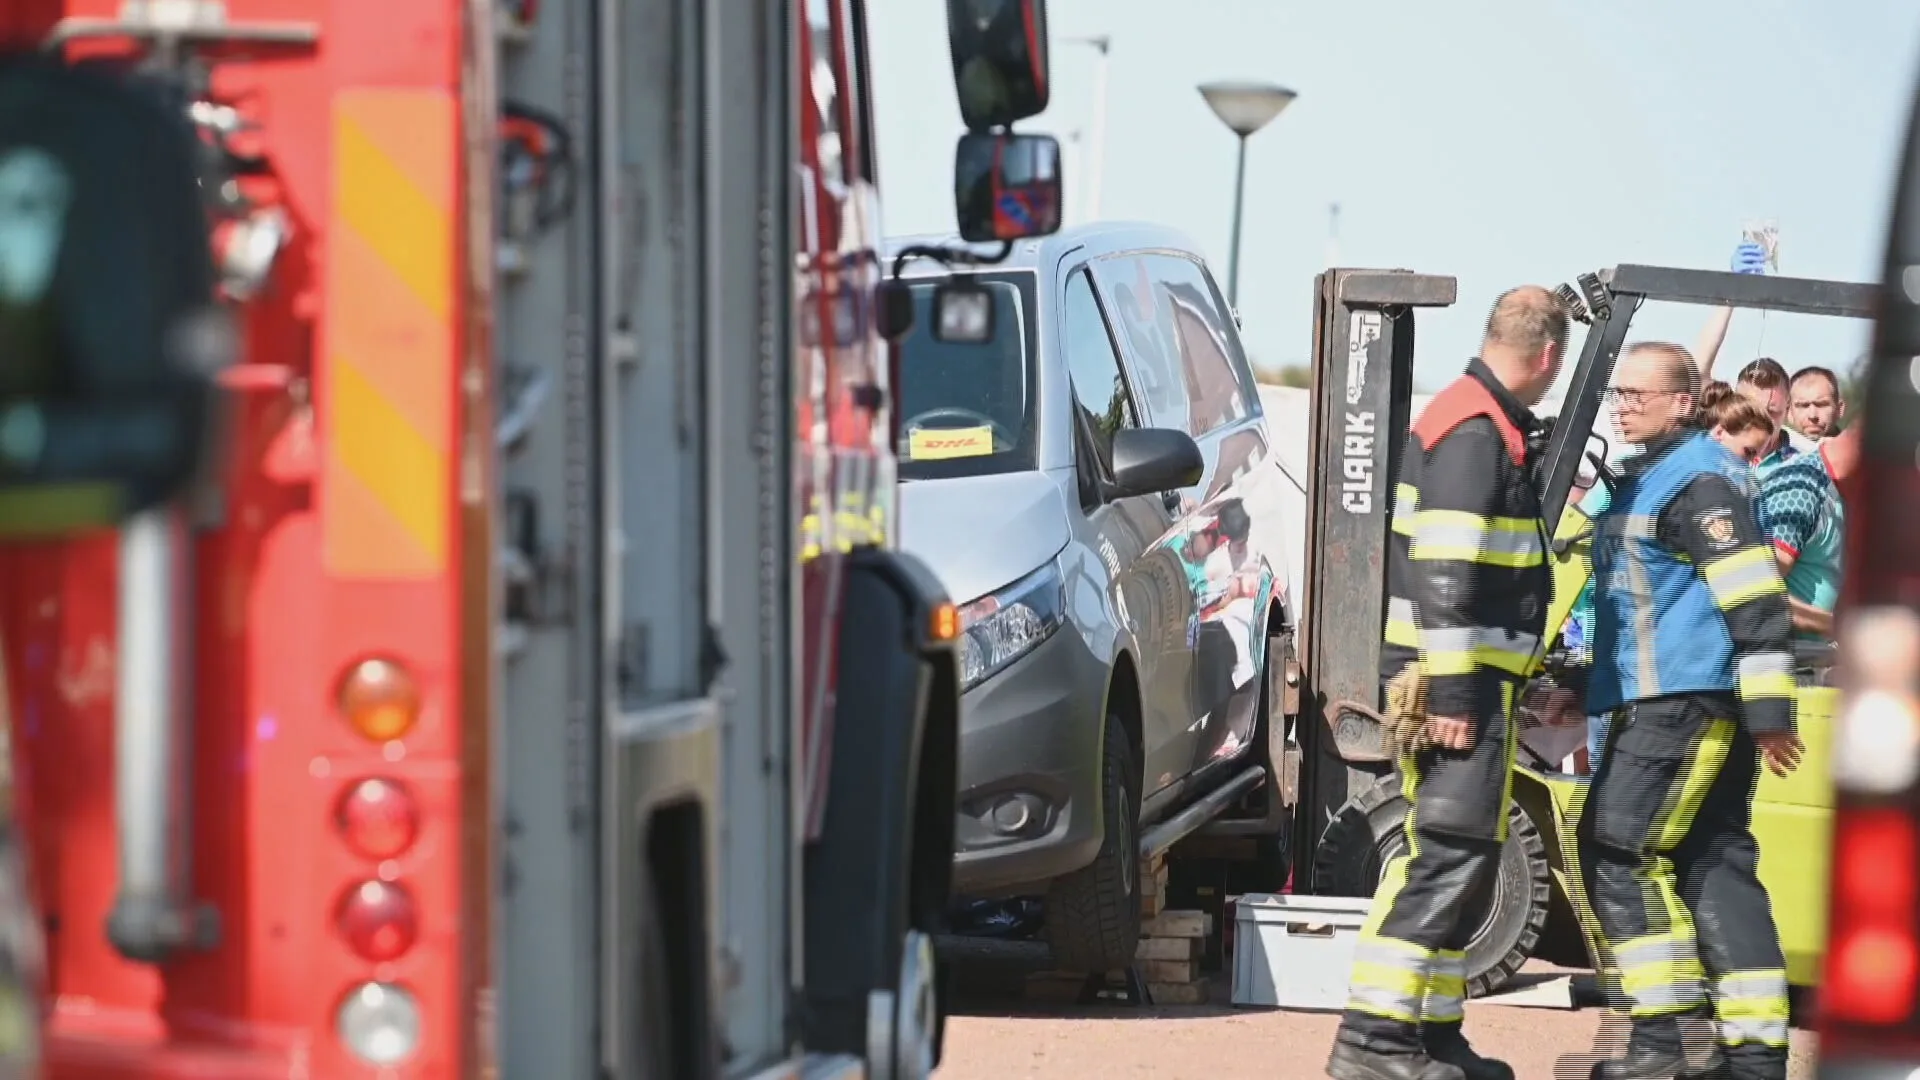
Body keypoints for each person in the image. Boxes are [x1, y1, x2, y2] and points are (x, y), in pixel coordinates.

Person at [1328, 286, 1570, 1080]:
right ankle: (1373, 1045)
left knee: (1454, 857)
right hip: (1450, 690)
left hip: (1453, 680)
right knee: (1450, 859)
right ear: (1548, 357)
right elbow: (1446, 573)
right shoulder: (1474, 433)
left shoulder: (1466, 417)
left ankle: (1431, 1036)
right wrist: (1462, 693)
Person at [1578, 341, 1802, 1080]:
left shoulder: (1696, 483)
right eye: (1619, 394)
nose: (1624, 405)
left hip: (1680, 701)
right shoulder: (1651, 478)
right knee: (1714, 862)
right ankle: (1755, 1057)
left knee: (1617, 849)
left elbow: (1755, 597)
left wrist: (1771, 712)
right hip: (1679, 695)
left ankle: (1664, 1042)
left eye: (1638, 394)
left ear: (1684, 401)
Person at [1786, 365, 1846, 442]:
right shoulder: (1773, 452)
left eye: (1821, 405)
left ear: (1839, 409)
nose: (1812, 416)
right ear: (1789, 412)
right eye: (1803, 406)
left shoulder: (1858, 452)